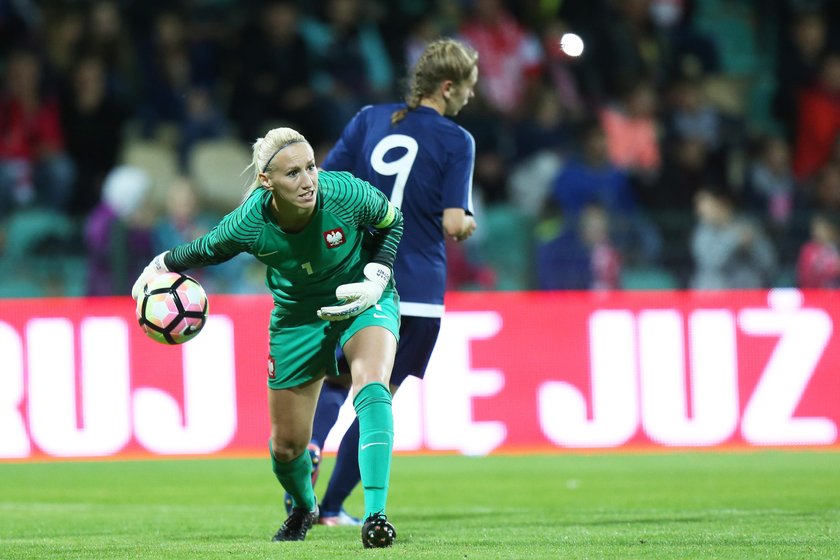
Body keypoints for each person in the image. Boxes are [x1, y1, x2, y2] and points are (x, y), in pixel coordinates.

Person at [130, 127, 404, 548]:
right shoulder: (250, 222)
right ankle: (303, 505)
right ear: (266, 182)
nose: (308, 180)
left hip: (361, 296)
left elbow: (392, 221)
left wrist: (378, 274)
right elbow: (206, 249)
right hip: (298, 317)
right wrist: (158, 266)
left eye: (310, 167)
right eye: (292, 173)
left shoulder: (344, 193)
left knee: (372, 385)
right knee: (286, 446)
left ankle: (376, 516)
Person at [301, 38, 479, 526]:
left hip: (356, 282)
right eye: (468, 88)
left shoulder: (367, 119)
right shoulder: (456, 140)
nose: (469, 98)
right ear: (447, 87)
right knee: (378, 394)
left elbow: (320, 185)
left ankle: (312, 447)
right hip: (416, 292)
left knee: (337, 382)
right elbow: (451, 221)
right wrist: (466, 222)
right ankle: (332, 508)